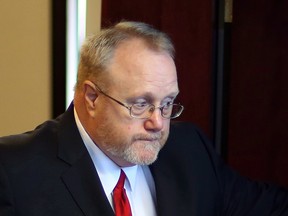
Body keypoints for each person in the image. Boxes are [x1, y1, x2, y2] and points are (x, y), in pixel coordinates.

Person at [0, 21, 287, 216]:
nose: (158, 123)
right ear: (91, 98)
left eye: (167, 103)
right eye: (141, 104)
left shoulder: (188, 150)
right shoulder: (13, 171)